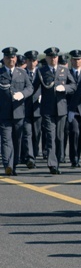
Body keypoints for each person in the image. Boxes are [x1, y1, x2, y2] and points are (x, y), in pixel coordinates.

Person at [31, 47, 77, 175]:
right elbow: (33, 88)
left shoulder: (64, 70)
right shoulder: (41, 71)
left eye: (55, 57)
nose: (53, 59)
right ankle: (52, 164)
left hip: (61, 109)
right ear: (46, 58)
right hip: (47, 110)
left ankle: (58, 160)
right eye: (50, 57)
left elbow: (74, 85)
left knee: (59, 137)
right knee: (51, 137)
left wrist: (65, 88)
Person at [0, 47, 34, 175]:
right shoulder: (0, 73)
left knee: (17, 140)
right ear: (4, 59)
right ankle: (7, 165)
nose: (11, 60)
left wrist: (23, 94)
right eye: (8, 57)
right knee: (6, 140)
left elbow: (30, 87)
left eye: (13, 57)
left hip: (19, 112)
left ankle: (14, 165)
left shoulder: (22, 73)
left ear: (16, 58)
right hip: (4, 113)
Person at [21, 50, 41, 169]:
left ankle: (34, 153)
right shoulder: (22, 73)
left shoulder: (41, 73)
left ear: (37, 61)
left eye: (34, 61)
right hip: (25, 109)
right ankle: (30, 158)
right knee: (27, 133)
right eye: (29, 61)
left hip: (38, 108)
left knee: (36, 134)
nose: (32, 63)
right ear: (26, 61)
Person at [66, 50, 81, 168]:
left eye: (79, 59)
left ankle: (78, 155)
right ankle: (74, 158)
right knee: (74, 132)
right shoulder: (66, 73)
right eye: (74, 59)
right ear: (71, 61)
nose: (77, 61)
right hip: (71, 108)